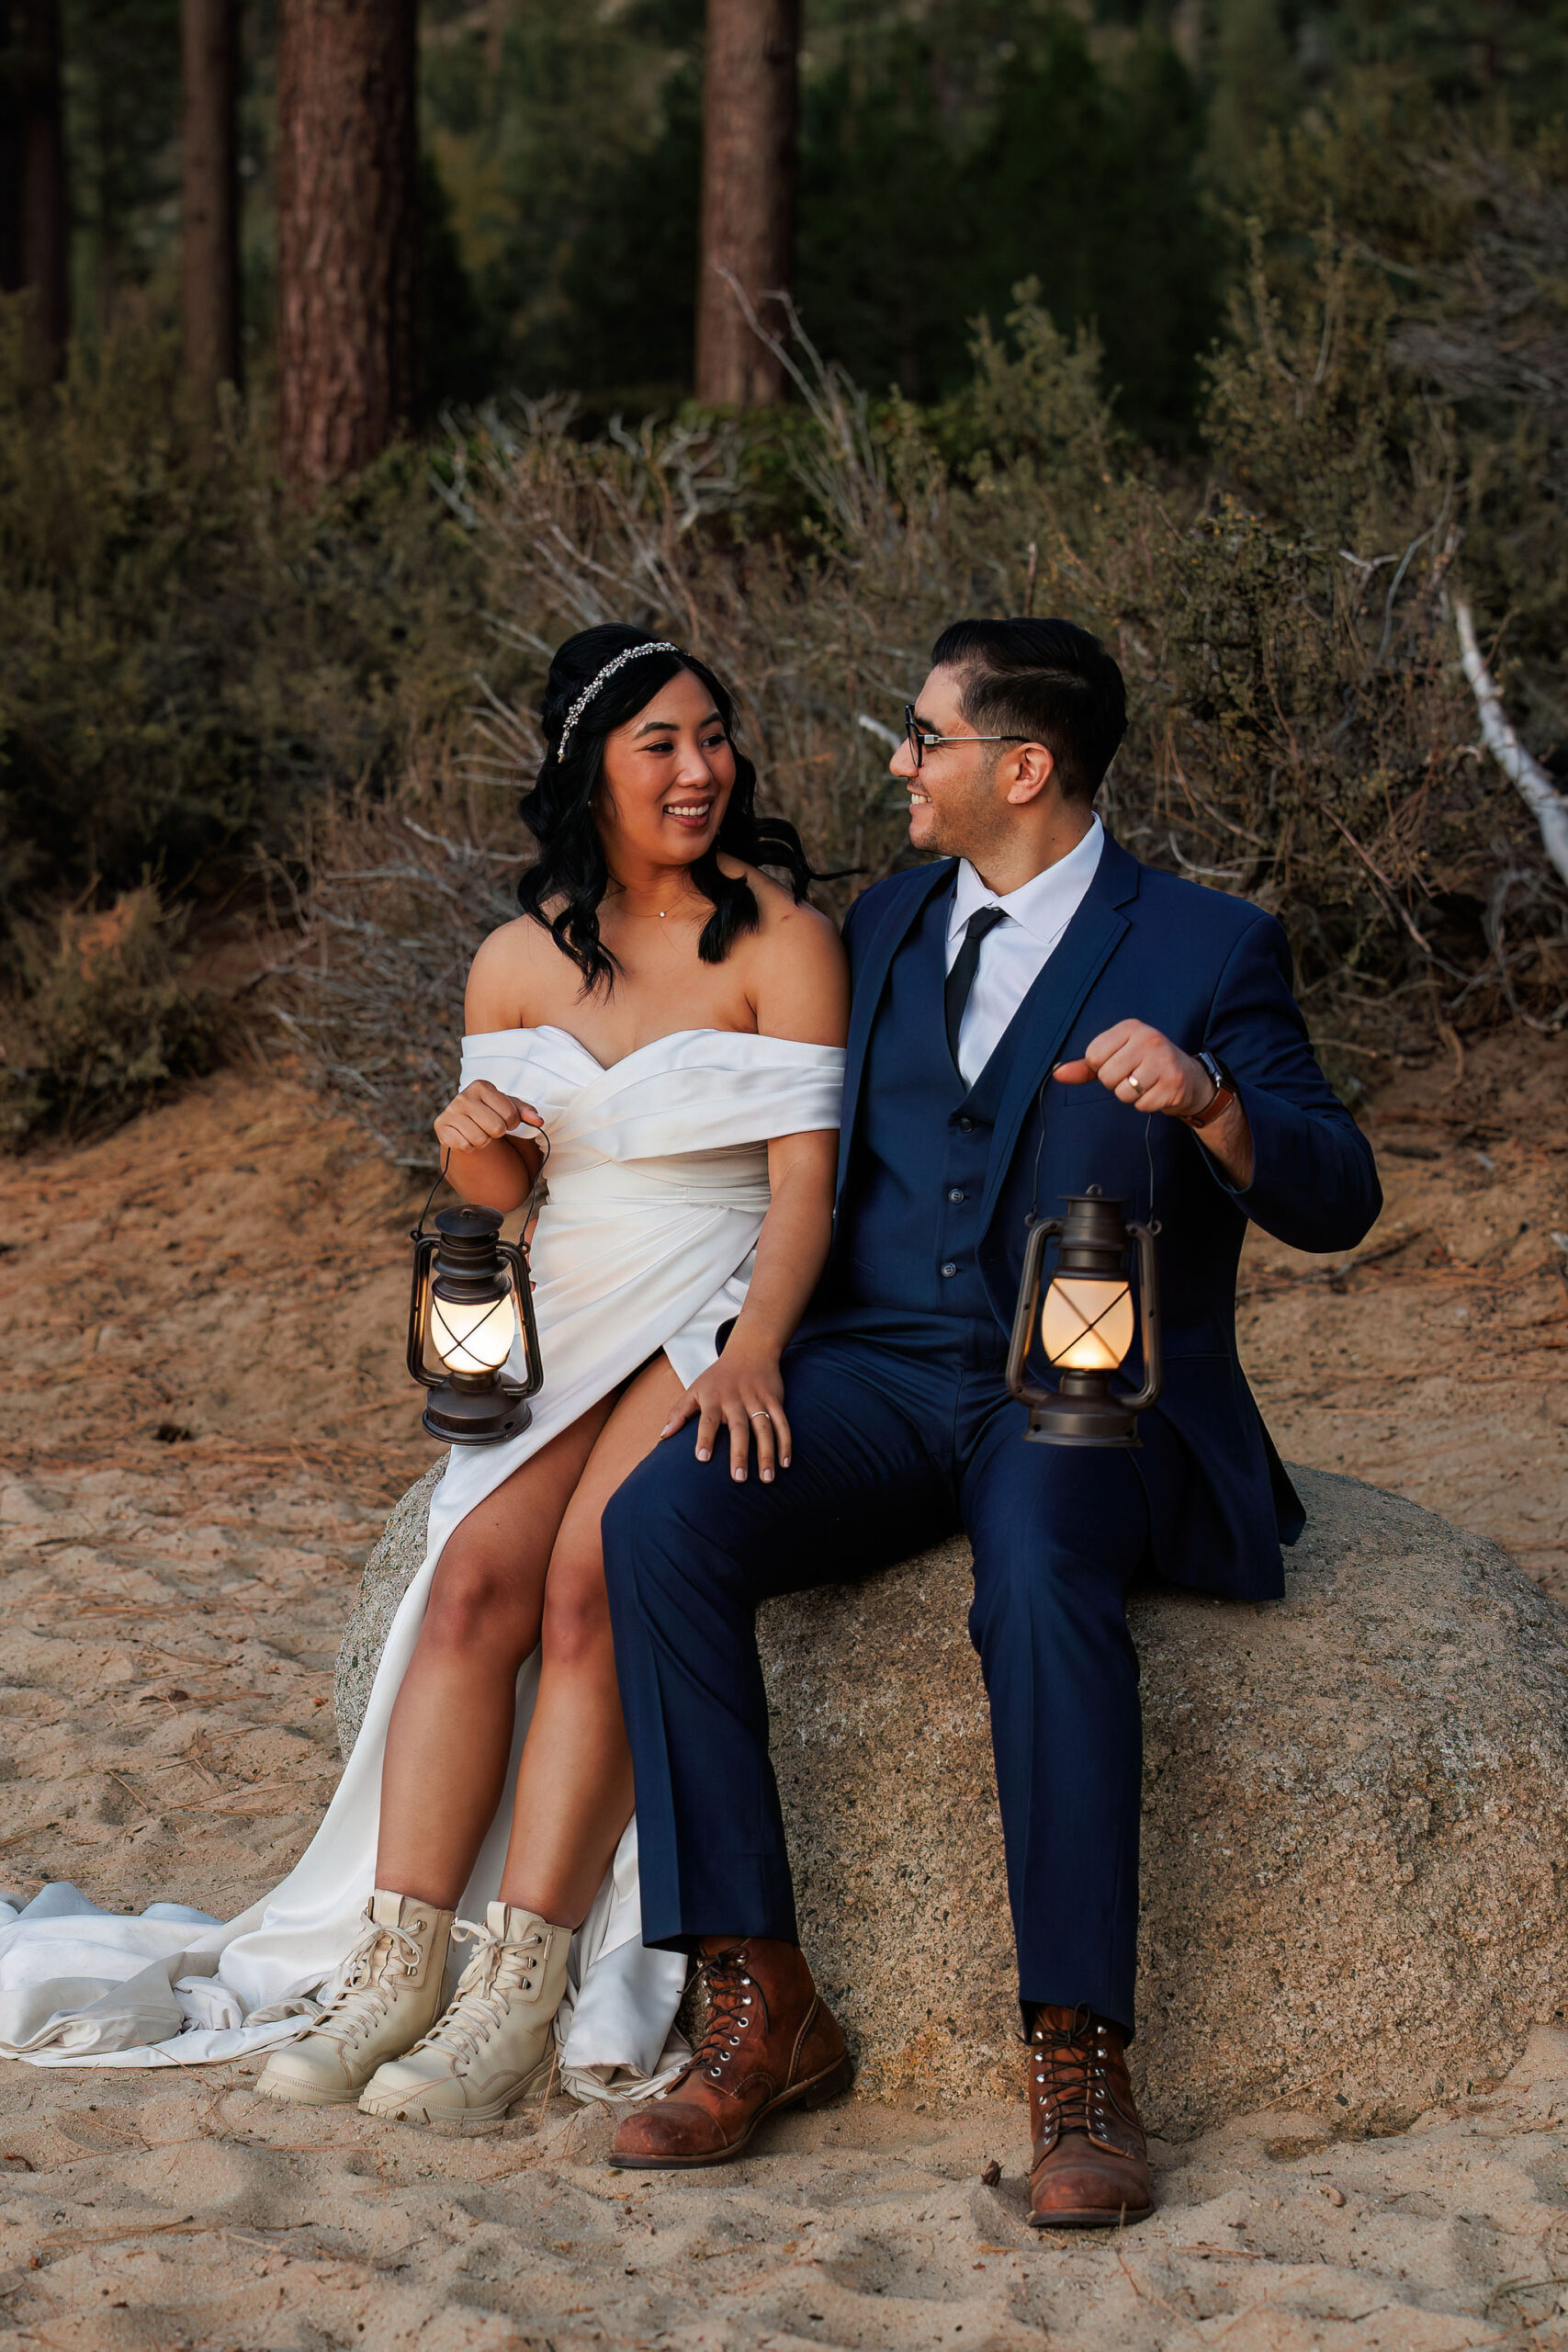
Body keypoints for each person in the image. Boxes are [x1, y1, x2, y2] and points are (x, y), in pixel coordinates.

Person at [0, 627, 848, 2126]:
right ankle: (400, 1962)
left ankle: (518, 1991)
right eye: (661, 743)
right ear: (590, 766)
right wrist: (475, 1136)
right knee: (469, 1586)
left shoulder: (782, 939)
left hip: (710, 1298)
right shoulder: (518, 955)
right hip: (573, 1286)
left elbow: (802, 1195)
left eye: (714, 737)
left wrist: (759, 1349)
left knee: (594, 1578)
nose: (700, 770)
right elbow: (499, 1191)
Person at [600, 616, 1382, 2222]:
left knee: (1033, 1575)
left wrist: (1215, 1102)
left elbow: (1340, 1191)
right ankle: (761, 2000)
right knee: (661, 1520)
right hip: (877, 1371)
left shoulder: (1208, 946)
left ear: (1020, 768)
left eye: (924, 738)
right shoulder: (879, 925)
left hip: (1080, 1390)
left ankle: (1081, 2060)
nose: (898, 762)